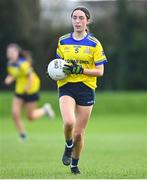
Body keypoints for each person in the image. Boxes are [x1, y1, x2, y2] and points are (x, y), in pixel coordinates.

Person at [56, 7, 107, 174]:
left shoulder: (94, 43)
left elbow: (100, 71)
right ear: (71, 20)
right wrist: (53, 72)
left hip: (86, 88)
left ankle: (74, 164)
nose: (77, 21)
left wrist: (81, 70)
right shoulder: (63, 41)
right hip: (67, 86)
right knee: (69, 122)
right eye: (74, 18)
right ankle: (68, 145)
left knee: (79, 133)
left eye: (81, 18)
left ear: (87, 21)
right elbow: (58, 65)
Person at [4, 43, 55, 142]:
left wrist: (28, 87)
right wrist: (8, 79)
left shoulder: (22, 63)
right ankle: (23, 134)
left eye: (12, 52)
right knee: (15, 114)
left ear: (17, 53)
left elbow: (31, 76)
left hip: (31, 89)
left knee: (30, 117)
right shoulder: (10, 64)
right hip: (20, 90)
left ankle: (45, 110)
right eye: (9, 52)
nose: (10, 54)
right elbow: (13, 74)